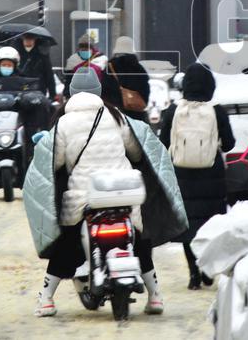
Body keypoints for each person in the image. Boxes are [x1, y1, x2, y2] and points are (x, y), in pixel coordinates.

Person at [32, 68, 164, 317]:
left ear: (71, 93)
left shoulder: (64, 122)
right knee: (138, 239)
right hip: (125, 191)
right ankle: (155, 296)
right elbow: (136, 152)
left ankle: (46, 299)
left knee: (67, 242)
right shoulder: (116, 116)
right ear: (99, 91)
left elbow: (56, 162)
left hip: (86, 196)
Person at [158, 62, 235, 290]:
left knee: (189, 228)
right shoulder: (217, 111)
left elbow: (163, 143)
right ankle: (208, 269)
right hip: (212, 178)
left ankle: (193, 273)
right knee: (210, 226)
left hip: (182, 176)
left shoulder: (173, 111)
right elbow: (229, 144)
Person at [0, 46, 48, 166]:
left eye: (9, 65)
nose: (6, 67)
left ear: (15, 65)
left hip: (18, 122)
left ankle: (28, 160)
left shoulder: (24, 82)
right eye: (3, 64)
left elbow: (33, 97)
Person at [104, 36, 151, 122]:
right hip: (137, 116)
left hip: (115, 117)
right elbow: (146, 90)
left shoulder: (110, 67)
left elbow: (104, 91)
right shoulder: (139, 68)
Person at [14, 33, 58, 101]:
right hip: (21, 89)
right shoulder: (16, 53)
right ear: (22, 39)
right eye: (26, 39)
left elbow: (49, 74)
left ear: (34, 40)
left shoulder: (42, 54)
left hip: (38, 89)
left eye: (30, 39)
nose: (28, 41)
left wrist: (53, 94)